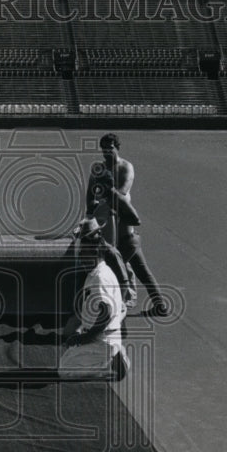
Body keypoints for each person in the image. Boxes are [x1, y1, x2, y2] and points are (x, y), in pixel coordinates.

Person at [86, 132, 167, 316]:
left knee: (119, 272)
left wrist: (106, 188)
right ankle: (160, 306)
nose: (107, 153)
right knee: (139, 271)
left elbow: (121, 194)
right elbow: (89, 197)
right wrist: (92, 208)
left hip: (126, 236)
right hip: (109, 235)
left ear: (117, 148)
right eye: (104, 150)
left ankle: (114, 309)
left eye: (110, 149)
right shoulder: (98, 169)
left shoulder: (125, 167)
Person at [59, 218, 130, 380]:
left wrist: (84, 338)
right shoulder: (96, 271)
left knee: (65, 372)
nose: (81, 257)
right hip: (98, 335)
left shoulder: (100, 277)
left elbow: (106, 313)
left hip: (102, 339)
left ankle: (110, 366)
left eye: (84, 253)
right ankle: (110, 355)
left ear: (95, 251)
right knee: (67, 355)